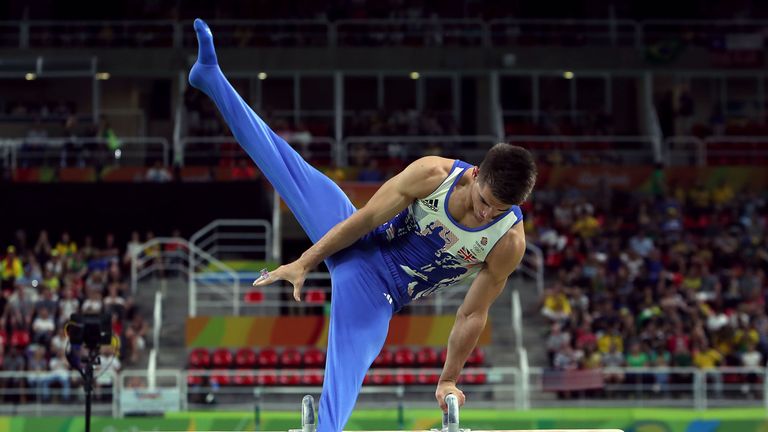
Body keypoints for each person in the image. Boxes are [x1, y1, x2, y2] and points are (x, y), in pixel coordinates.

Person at [189, 19, 535, 432]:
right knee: (285, 164)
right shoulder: (432, 174)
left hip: (380, 291)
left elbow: (471, 314)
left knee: (344, 378)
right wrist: (306, 261)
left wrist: (448, 378)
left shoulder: (507, 241)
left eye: (497, 212)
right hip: (357, 234)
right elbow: (367, 218)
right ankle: (212, 79)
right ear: (475, 174)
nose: (485, 215)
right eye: (483, 203)